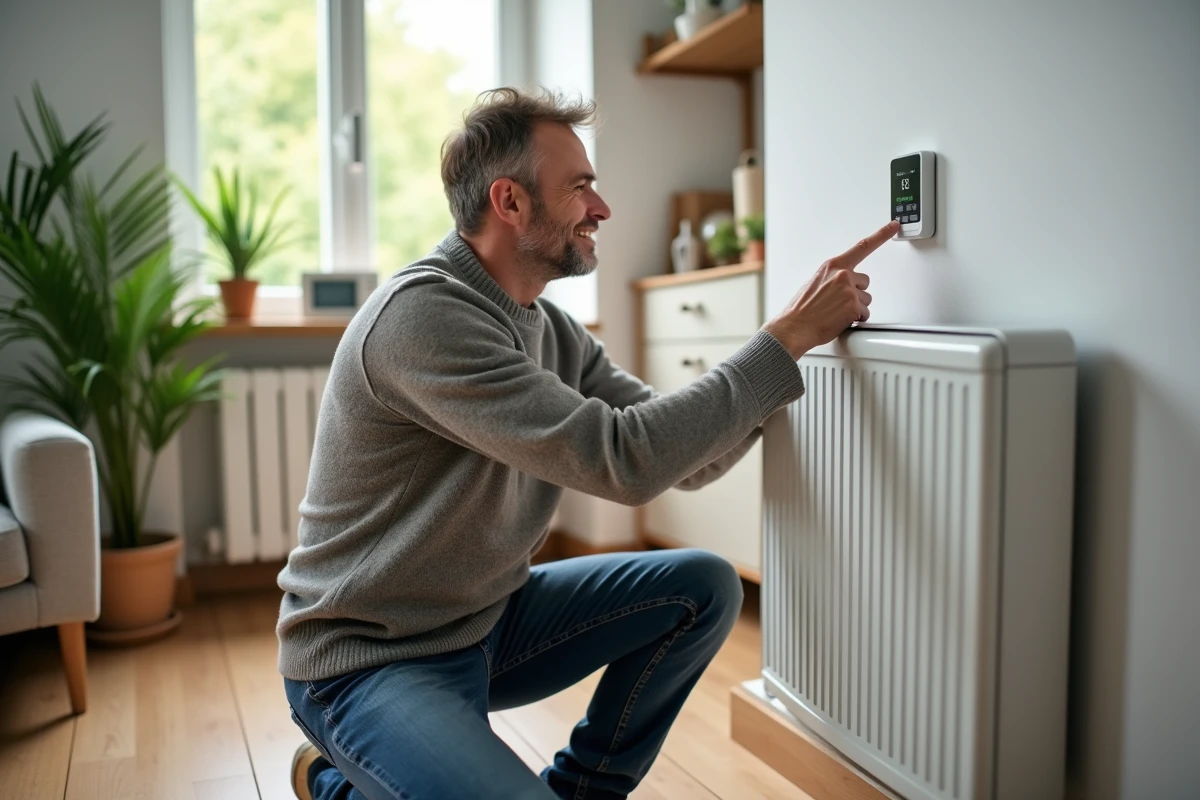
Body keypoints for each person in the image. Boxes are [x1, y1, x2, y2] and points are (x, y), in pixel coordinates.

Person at [278, 87, 896, 800]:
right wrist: (779, 342)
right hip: (370, 658)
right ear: (509, 203)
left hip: (487, 623)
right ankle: (335, 780)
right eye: (580, 188)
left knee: (702, 585)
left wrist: (790, 350)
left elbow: (680, 462)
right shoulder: (423, 319)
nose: (601, 209)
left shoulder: (552, 329)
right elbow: (626, 460)